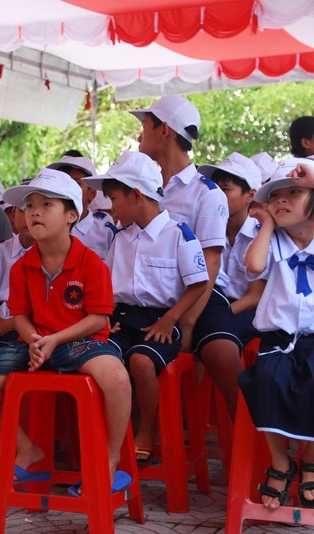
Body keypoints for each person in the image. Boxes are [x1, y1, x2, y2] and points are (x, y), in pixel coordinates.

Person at [0, 169, 132, 492]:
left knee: (118, 379)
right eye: (29, 206)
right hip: (35, 342)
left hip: (81, 341)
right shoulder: (21, 266)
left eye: (46, 204)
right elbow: (20, 316)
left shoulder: (91, 263)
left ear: (73, 215)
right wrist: (33, 340)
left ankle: (108, 463)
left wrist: (54, 339)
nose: (34, 212)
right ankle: (27, 448)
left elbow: (99, 320)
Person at [83, 151, 208, 465]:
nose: (111, 208)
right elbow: (108, 287)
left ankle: (147, 430)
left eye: (114, 199)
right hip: (122, 318)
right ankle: (108, 433)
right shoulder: (121, 238)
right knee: (97, 359)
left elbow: (198, 283)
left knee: (140, 362)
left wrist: (171, 319)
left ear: (136, 195)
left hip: (161, 320)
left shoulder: (179, 234)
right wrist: (104, 320)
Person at [239, 161, 314, 510]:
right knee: (266, 381)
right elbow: (254, 266)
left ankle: (311, 461)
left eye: (294, 192)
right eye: (275, 197)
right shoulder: (274, 243)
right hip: (279, 340)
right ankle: (281, 461)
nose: (282, 200)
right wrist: (266, 224)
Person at [130, 95, 228, 354]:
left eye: (144, 127)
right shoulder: (142, 187)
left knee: (220, 352)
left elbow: (211, 262)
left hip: (199, 296)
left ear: (163, 129)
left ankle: (245, 396)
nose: (139, 137)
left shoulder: (207, 193)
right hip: (150, 295)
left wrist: (186, 322)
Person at [194, 152, 266, 418]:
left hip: (247, 311)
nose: (217, 196)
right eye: (214, 188)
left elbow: (255, 296)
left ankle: (245, 420)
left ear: (250, 196)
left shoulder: (260, 233)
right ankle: (193, 413)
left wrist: (217, 315)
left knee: (212, 338)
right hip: (213, 305)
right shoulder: (210, 228)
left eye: (225, 189)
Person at [0, 201, 33, 353]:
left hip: (30, 321)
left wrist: (9, 325)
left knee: (8, 348)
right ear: (12, 215)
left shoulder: (50, 254)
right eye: (23, 210)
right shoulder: (1, 250)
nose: (29, 216)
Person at [47, 156, 117, 259]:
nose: (67, 189)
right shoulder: (46, 227)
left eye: (76, 183)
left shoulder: (105, 231)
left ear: (92, 194)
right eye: (62, 183)